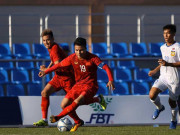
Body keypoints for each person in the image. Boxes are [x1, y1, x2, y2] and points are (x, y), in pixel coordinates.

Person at [39, 37, 115, 131]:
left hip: (90, 85)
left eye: (81, 50)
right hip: (78, 85)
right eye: (76, 50)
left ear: (85, 48)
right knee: (64, 105)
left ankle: (57, 117)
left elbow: (106, 67)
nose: (79, 52)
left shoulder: (93, 58)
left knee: (78, 101)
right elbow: (58, 65)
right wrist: (46, 72)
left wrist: (110, 80)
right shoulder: (72, 57)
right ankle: (81, 118)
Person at [33, 29, 81, 126]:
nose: (46, 42)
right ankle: (44, 120)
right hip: (58, 77)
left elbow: (58, 64)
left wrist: (46, 71)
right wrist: (48, 68)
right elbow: (54, 60)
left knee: (76, 100)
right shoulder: (51, 47)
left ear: (53, 39)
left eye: (48, 40)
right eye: (44, 40)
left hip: (68, 79)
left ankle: (96, 101)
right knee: (44, 92)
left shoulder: (54, 49)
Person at [148, 24, 180, 129]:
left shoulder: (178, 47)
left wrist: (169, 64)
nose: (166, 35)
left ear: (174, 34)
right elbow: (164, 62)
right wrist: (155, 70)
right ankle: (160, 107)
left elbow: (173, 62)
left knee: (172, 102)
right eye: (164, 33)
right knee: (152, 95)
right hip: (163, 77)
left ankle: (173, 120)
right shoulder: (162, 47)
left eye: (168, 33)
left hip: (174, 79)